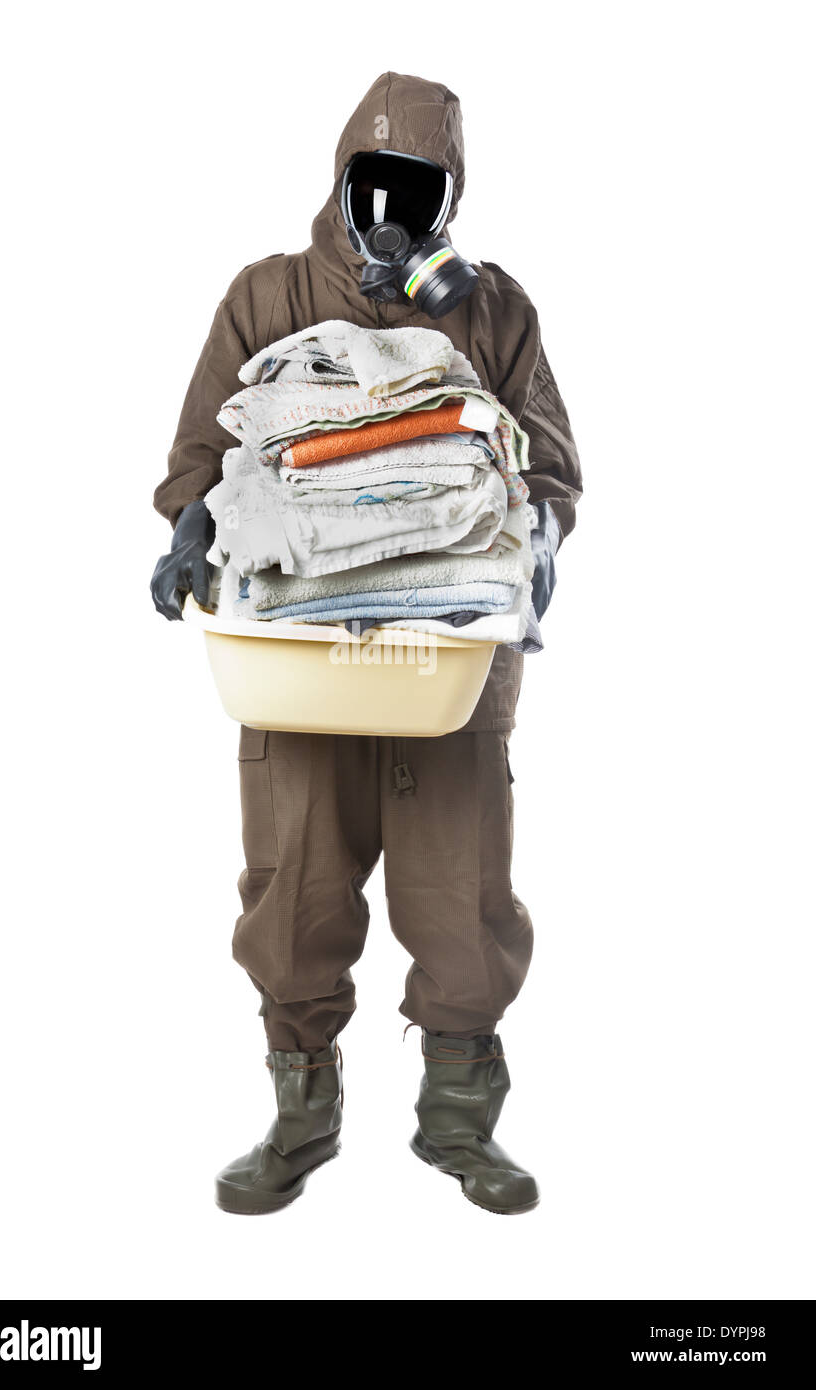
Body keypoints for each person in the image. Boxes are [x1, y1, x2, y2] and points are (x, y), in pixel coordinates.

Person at [150, 72, 582, 1216]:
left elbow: (546, 458)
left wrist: (531, 533)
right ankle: (301, 1115)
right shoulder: (268, 296)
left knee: (463, 895)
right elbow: (203, 445)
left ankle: (457, 1121)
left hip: (443, 671)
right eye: (372, 181)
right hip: (297, 662)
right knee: (290, 891)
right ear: (340, 179)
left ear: (448, 199)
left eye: (418, 188)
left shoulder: (489, 310)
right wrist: (192, 523)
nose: (391, 207)